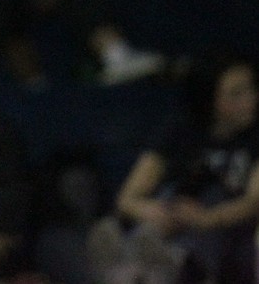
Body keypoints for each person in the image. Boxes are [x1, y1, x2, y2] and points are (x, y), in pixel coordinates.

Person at [85, 53, 259, 283]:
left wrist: (207, 218)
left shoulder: (254, 136)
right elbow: (128, 198)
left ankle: (169, 261)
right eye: (236, 94)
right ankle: (133, 260)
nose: (251, 99)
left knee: (213, 196)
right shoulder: (180, 130)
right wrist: (157, 212)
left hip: (224, 228)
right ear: (209, 99)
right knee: (170, 198)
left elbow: (253, 202)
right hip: (173, 216)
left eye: (251, 89)